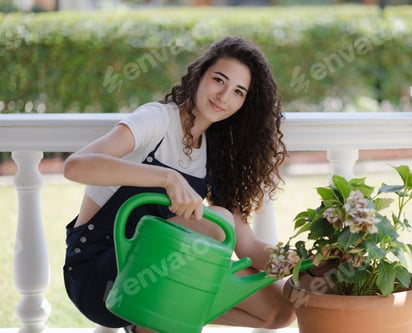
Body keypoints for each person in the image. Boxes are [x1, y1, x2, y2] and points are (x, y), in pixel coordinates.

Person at [63, 36, 291, 333]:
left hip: (158, 279)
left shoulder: (216, 151)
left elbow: (247, 245)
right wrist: (167, 178)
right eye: (219, 80)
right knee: (217, 221)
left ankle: (150, 324)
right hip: (101, 274)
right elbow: (75, 166)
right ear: (199, 75)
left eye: (238, 92)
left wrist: (300, 262)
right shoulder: (157, 120)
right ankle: (155, 321)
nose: (224, 97)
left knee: (278, 311)